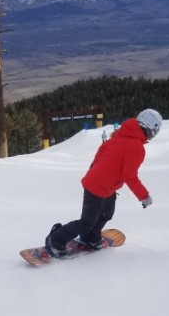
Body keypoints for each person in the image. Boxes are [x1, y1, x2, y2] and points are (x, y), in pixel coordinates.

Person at [45, 108, 162, 257]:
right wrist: (144, 196)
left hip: (106, 186)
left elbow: (102, 150)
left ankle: (90, 238)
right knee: (86, 222)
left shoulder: (123, 134)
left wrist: (94, 171)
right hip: (97, 187)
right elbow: (129, 176)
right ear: (152, 129)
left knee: (106, 214)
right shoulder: (136, 147)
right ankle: (56, 239)